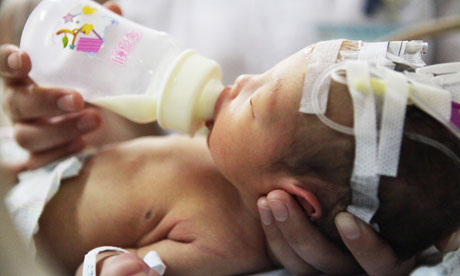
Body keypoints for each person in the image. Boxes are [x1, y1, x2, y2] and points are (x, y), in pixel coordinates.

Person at [1, 1, 459, 275]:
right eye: (265, 74)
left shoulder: (225, 237)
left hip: (24, 231)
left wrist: (109, 264)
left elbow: (130, 263)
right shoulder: (228, 158)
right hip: (44, 167)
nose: (242, 81)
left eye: (256, 103)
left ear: (299, 201)